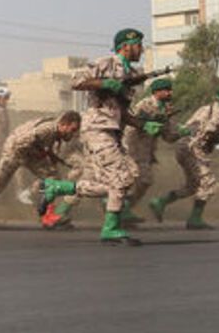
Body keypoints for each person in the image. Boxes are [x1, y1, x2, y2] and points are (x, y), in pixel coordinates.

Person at [35, 29, 148, 245]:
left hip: (112, 131)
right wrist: (105, 83)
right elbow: (76, 81)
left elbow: (122, 112)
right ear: (126, 45)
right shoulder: (107, 63)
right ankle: (110, 228)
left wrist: (142, 124)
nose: (141, 49)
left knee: (127, 176)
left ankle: (57, 188)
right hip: (97, 129)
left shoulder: (129, 73)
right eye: (138, 45)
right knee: (120, 179)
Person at [0, 110, 81, 229]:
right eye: (72, 130)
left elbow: (47, 150)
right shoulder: (46, 129)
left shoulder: (56, 131)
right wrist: (42, 153)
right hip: (14, 151)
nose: (72, 134)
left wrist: (50, 156)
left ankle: (48, 214)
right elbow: (21, 142)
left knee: (53, 177)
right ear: (64, 125)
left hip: (30, 153)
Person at [150, 86, 219, 229]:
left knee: (193, 185)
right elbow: (210, 130)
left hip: (182, 146)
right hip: (194, 148)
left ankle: (161, 202)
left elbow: (191, 125)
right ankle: (195, 219)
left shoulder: (204, 109)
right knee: (207, 182)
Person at [120, 78, 183, 224]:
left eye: (170, 89)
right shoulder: (145, 104)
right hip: (133, 147)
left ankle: (124, 209)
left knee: (144, 181)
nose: (170, 93)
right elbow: (133, 122)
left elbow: (168, 136)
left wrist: (181, 132)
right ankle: (120, 209)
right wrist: (151, 121)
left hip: (146, 151)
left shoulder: (166, 108)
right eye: (166, 90)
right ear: (156, 92)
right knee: (135, 179)